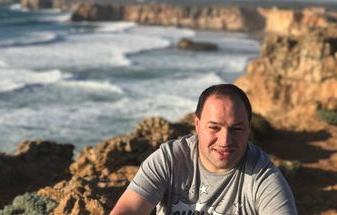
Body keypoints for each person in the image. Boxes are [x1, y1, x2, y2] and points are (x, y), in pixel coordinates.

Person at [111, 84, 298, 215]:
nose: (225, 140)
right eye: (214, 128)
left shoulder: (263, 178)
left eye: (236, 129)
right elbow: (128, 210)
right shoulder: (169, 160)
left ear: (248, 129)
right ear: (198, 125)